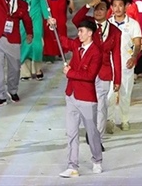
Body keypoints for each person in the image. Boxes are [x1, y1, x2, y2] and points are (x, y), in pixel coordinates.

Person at [47, 18, 103, 178]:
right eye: (78, 31)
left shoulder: (96, 53)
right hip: (71, 95)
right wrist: (53, 28)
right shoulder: (77, 45)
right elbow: (63, 42)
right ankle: (72, 166)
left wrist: (70, 73)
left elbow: (90, 76)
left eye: (81, 31)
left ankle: (97, 160)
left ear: (90, 33)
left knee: (91, 132)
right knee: (71, 132)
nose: (79, 34)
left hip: (87, 98)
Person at [72, 0, 121, 144]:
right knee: (87, 105)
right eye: (96, 9)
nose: (98, 12)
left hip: (104, 72)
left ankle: (97, 139)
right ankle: (90, 130)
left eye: (102, 9)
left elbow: (116, 55)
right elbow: (75, 20)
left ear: (108, 11)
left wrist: (117, 79)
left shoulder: (115, 31)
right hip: (86, 71)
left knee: (102, 105)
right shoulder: (88, 24)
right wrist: (88, 5)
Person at [106, 0, 142, 132]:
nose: (117, 8)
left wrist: (133, 57)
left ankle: (124, 120)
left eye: (120, 5)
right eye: (115, 6)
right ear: (111, 7)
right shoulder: (107, 24)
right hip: (110, 65)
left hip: (126, 64)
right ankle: (109, 120)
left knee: (125, 94)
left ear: (126, 7)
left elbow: (137, 43)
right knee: (110, 95)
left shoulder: (133, 24)